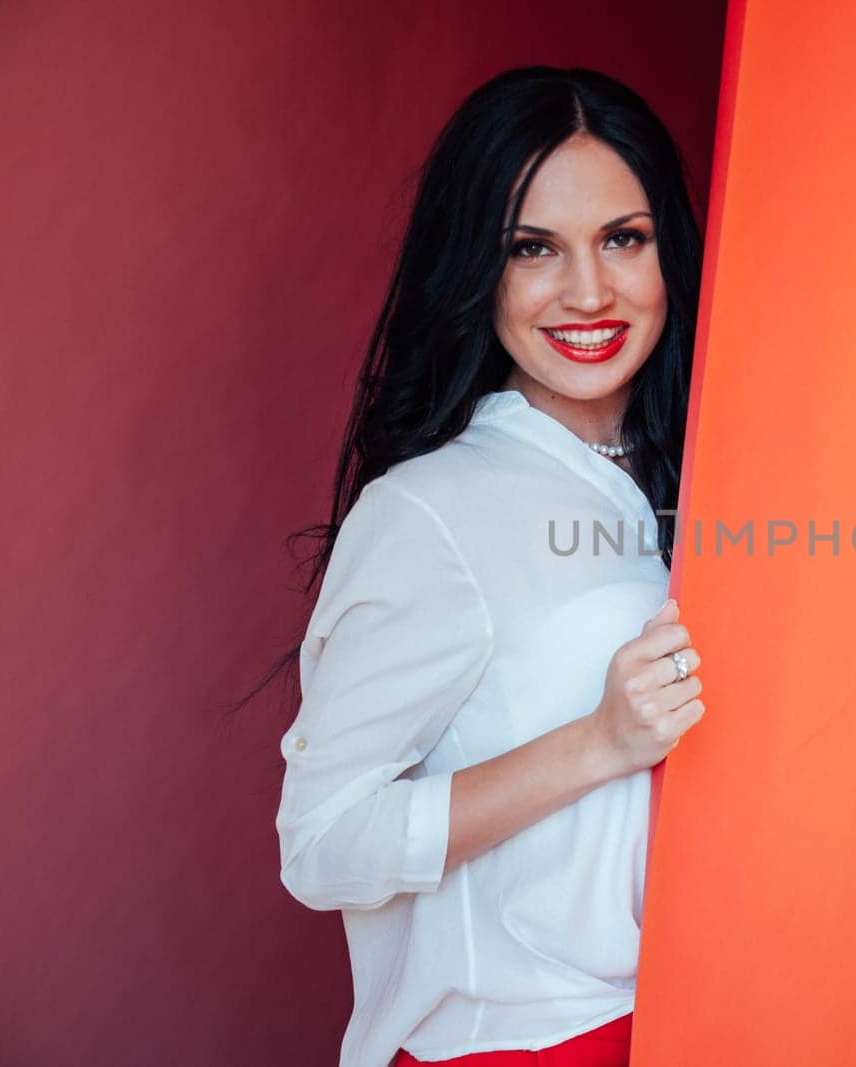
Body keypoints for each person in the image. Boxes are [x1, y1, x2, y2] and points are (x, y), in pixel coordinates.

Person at [274, 66, 707, 1067]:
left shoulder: (702, 470)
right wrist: (597, 740)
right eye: (533, 248)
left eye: (621, 239)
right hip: (524, 1040)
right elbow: (323, 843)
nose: (589, 291)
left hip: (706, 1013)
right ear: (479, 267)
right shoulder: (429, 510)